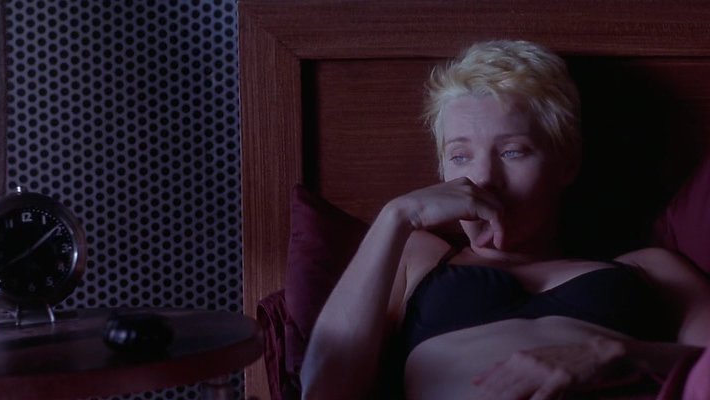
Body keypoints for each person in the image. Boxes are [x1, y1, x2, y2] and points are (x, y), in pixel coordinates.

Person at [299, 40, 710, 400]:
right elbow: (325, 390)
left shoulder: (651, 270)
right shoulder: (416, 257)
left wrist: (620, 354)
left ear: (568, 162)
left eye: (513, 151)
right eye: (460, 156)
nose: (483, 179)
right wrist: (398, 216)